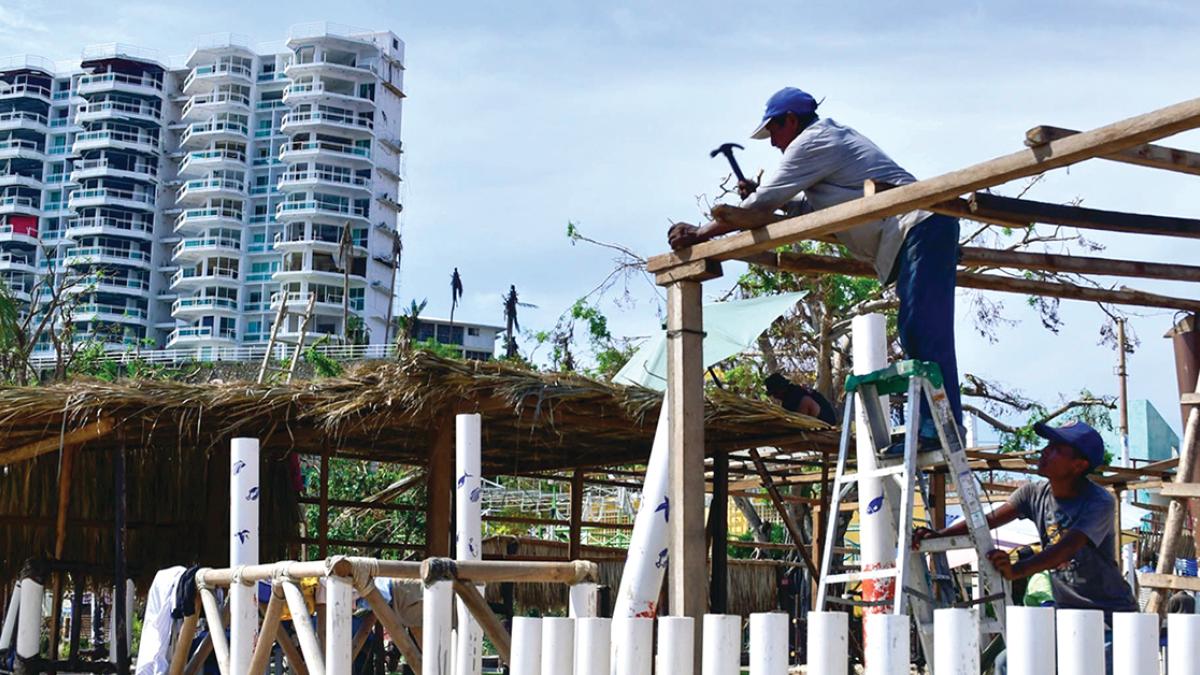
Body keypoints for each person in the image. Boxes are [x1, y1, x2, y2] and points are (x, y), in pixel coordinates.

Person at [668, 87, 963, 446]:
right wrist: (763, 204)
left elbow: (763, 205)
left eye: (773, 131)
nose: (773, 142)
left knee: (924, 332)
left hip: (919, 226)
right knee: (917, 332)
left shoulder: (812, 141)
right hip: (915, 233)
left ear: (790, 120)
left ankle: (942, 430)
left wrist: (700, 233)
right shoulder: (824, 151)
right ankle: (936, 427)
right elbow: (802, 210)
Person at [912, 420, 1135, 674]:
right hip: (1064, 616)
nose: (1045, 452)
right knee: (1007, 663)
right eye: (1048, 445)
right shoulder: (1033, 494)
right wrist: (939, 534)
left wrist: (1018, 569)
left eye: (1057, 448)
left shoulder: (1099, 501)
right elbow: (983, 522)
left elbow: (1067, 547)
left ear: (1079, 465)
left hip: (1109, 619)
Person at [763, 372, 838, 425]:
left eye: (776, 393)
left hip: (826, 420)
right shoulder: (786, 402)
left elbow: (808, 403)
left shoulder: (796, 393)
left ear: (782, 389)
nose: (775, 396)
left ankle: (803, 426)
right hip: (815, 419)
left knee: (805, 401)